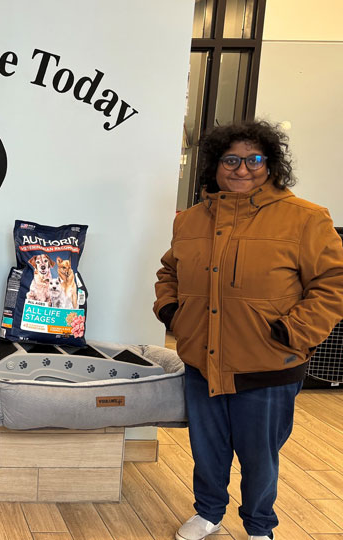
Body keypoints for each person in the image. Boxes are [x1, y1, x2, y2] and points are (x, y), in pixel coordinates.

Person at [154, 120, 343, 540]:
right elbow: (169, 270)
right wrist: (172, 311)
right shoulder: (190, 220)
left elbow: (333, 285)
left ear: (271, 164)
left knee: (260, 457)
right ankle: (208, 512)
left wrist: (294, 333)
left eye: (254, 159)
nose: (242, 169)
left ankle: (260, 526)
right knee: (207, 450)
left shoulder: (306, 219)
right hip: (203, 361)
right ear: (215, 166)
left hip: (268, 364)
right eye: (231, 159)